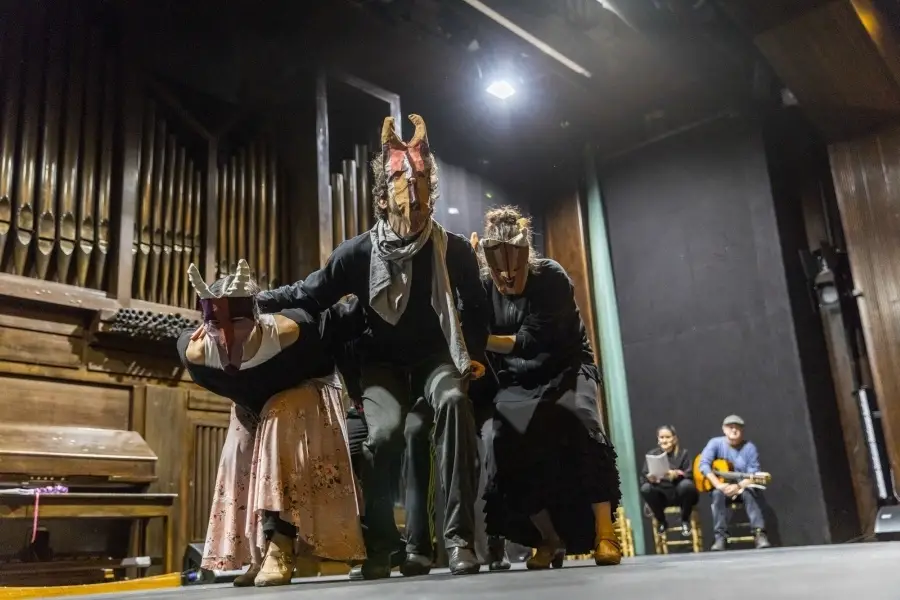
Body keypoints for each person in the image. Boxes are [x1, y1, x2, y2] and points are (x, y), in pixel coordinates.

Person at [251, 114, 490, 579]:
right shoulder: (357, 253)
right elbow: (310, 293)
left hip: (435, 358)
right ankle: (382, 546)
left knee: (455, 403)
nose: (415, 202)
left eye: (423, 191)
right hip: (381, 365)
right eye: (404, 188)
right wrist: (256, 301)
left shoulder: (453, 249)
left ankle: (459, 540)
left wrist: (475, 353)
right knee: (382, 436)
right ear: (382, 199)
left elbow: (475, 304)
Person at [178, 260, 367, 586]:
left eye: (238, 323)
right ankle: (259, 552)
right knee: (238, 444)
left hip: (310, 387)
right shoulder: (197, 355)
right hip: (255, 402)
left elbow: (341, 319)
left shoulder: (294, 331)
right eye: (216, 327)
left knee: (281, 415)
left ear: (257, 318)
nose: (227, 337)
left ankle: (282, 544)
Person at [471, 206, 622, 570]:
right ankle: (548, 538)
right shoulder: (485, 287)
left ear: (527, 258)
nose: (507, 278)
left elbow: (529, 340)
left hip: (567, 367)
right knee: (503, 441)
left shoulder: (551, 276)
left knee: (582, 420)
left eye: (515, 269)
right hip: (518, 378)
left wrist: (477, 340)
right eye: (499, 272)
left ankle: (605, 533)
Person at [698, 414, 772, 550]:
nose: (733, 430)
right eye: (730, 427)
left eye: (737, 427)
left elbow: (753, 474)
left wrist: (738, 486)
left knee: (750, 492)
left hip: (743, 487)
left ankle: (759, 533)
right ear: (723, 429)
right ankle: (720, 537)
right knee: (717, 494)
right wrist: (719, 485)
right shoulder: (715, 443)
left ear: (742, 430)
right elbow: (703, 465)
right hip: (722, 487)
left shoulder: (749, 448)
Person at [639, 425, 698, 537]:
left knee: (687, 485)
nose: (664, 440)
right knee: (645, 488)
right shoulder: (652, 454)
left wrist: (676, 474)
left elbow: (689, 474)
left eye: (667, 437)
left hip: (679, 493)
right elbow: (644, 477)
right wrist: (650, 478)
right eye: (661, 437)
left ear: (674, 439)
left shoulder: (683, 454)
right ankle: (662, 521)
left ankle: (685, 520)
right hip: (661, 494)